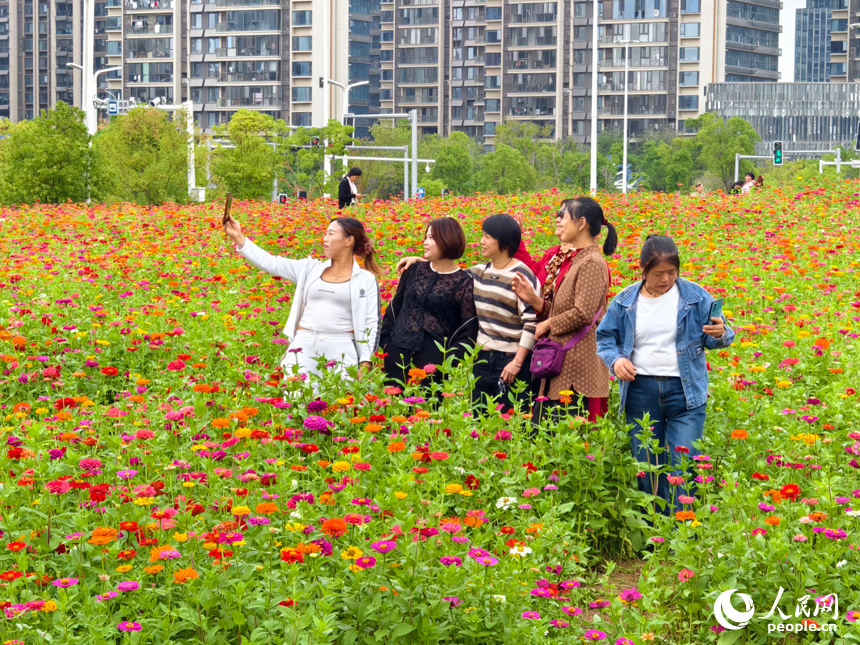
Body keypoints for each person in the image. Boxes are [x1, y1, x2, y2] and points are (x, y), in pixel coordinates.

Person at [595, 235, 735, 515]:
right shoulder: (625, 301)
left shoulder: (695, 297)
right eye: (658, 274)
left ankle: (684, 532)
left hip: (686, 392)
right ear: (643, 269)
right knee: (647, 464)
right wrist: (616, 361)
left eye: (672, 272)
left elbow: (722, 334)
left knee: (684, 461)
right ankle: (654, 532)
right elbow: (605, 339)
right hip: (640, 390)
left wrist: (721, 333)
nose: (666, 279)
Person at [397, 214, 540, 408]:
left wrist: (516, 363)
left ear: (505, 241)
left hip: (510, 362)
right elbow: (449, 273)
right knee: (479, 420)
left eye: (487, 237)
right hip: (481, 360)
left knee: (512, 422)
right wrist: (419, 261)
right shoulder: (479, 272)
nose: (481, 242)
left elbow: (531, 323)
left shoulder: (521, 276)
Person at [223, 214, 384, 383]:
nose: (324, 239)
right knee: (296, 399)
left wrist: (365, 362)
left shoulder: (365, 279)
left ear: (348, 241)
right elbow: (271, 263)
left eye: (330, 234)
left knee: (339, 403)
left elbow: (371, 323)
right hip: (304, 346)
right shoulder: (309, 269)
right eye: (325, 234)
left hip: (342, 348)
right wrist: (238, 237)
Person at [511, 198, 616, 423]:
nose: (559, 220)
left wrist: (547, 324)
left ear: (581, 224)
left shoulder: (591, 263)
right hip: (562, 367)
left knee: (569, 442)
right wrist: (536, 302)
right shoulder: (578, 259)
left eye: (564, 217)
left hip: (577, 374)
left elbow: (583, 313)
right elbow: (565, 309)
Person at [380, 218, 477, 382]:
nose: (425, 242)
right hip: (397, 355)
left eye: (431, 238)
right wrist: (386, 344)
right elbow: (394, 309)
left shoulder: (464, 283)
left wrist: (447, 362)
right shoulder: (413, 270)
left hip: (434, 366)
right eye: (426, 237)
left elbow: (467, 330)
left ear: (448, 240)